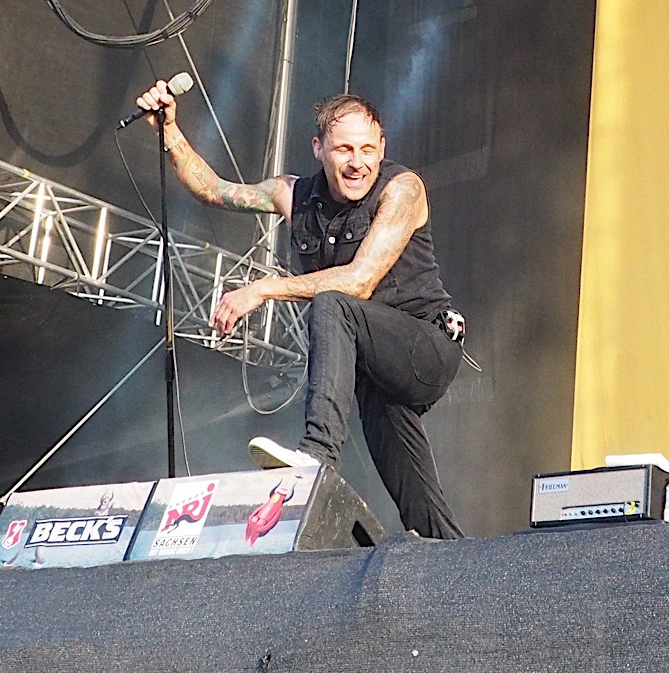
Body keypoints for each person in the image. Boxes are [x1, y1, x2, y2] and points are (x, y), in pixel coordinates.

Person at [135, 82, 466, 539]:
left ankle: (317, 454)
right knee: (421, 509)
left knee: (333, 303)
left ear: (383, 148)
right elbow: (213, 190)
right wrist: (168, 131)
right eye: (344, 149)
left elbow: (359, 281)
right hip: (377, 367)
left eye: (368, 150)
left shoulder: (403, 190)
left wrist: (263, 289)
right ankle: (456, 561)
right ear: (318, 148)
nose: (357, 162)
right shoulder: (293, 195)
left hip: (427, 346)